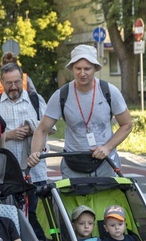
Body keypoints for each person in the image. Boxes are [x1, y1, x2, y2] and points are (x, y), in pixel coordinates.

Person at [28, 45, 133, 178]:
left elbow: (127, 124)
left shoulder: (109, 91)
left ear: (95, 68)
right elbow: (42, 129)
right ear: (72, 68)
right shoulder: (61, 95)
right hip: (73, 163)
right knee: (72, 199)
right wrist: (35, 152)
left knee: (106, 198)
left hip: (105, 163)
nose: (82, 73)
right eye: (78, 68)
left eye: (87, 69)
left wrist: (107, 147)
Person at [0, 62, 49, 238]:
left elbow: (50, 128)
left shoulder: (35, 100)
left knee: (39, 220)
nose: (14, 87)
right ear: (1, 82)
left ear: (23, 80)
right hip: (9, 174)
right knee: (11, 218)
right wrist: (10, 134)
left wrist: (33, 128)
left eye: (17, 82)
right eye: (9, 83)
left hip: (36, 173)